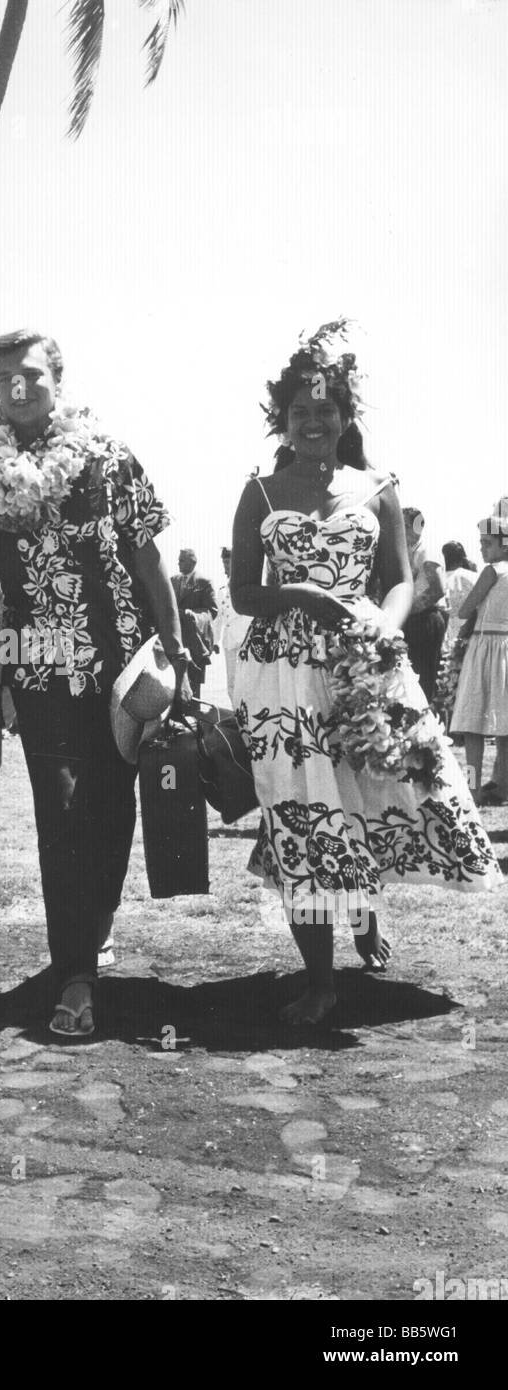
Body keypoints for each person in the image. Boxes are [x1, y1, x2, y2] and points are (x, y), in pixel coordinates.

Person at [230, 321, 500, 1025]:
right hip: (285, 673)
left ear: (344, 417)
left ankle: (365, 908)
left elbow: (401, 583)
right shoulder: (259, 492)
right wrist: (301, 594)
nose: (313, 421)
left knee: (382, 791)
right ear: (281, 424)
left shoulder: (378, 487)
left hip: (364, 663)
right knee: (301, 809)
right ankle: (320, 981)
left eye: (325, 409)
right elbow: (243, 595)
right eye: (299, 413)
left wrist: (384, 621)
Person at [0, 329, 193, 1038]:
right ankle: (76, 977)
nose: (16, 387)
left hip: (119, 665)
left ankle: (97, 926)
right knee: (62, 812)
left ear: (58, 378)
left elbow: (148, 561)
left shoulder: (108, 457)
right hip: (36, 664)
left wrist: (176, 646)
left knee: (112, 808)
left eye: (29, 373)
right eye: (3, 377)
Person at [450, 510, 508, 806]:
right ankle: (503, 786)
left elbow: (464, 610)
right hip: (506, 650)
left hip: (485, 647)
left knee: (473, 726)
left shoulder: (492, 571)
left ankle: (472, 789)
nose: (482, 549)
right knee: (504, 726)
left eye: (487, 543)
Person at [401, 507, 448, 702]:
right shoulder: (407, 550)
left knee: (424, 679)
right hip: (412, 620)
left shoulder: (427, 549)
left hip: (425, 619)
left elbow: (437, 589)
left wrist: (407, 611)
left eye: (403, 525)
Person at [172, 548, 216, 693]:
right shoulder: (173, 581)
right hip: (176, 642)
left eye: (182, 560)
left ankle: (195, 713)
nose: (178, 563)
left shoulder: (204, 582)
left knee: (194, 687)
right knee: (174, 686)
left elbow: (212, 611)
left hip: (196, 643)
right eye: (178, 560)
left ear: (192, 562)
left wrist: (193, 615)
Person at [214, 546, 252, 705]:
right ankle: (237, 714)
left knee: (247, 681)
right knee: (231, 682)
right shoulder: (222, 591)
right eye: (224, 563)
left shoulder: (247, 586)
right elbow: (218, 619)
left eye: (228, 563)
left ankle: (250, 714)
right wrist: (214, 641)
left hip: (245, 640)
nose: (225, 567)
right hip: (229, 642)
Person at [441, 540, 478, 650]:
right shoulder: (475, 578)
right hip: (471, 633)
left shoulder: (439, 580)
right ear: (462, 558)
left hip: (445, 636)